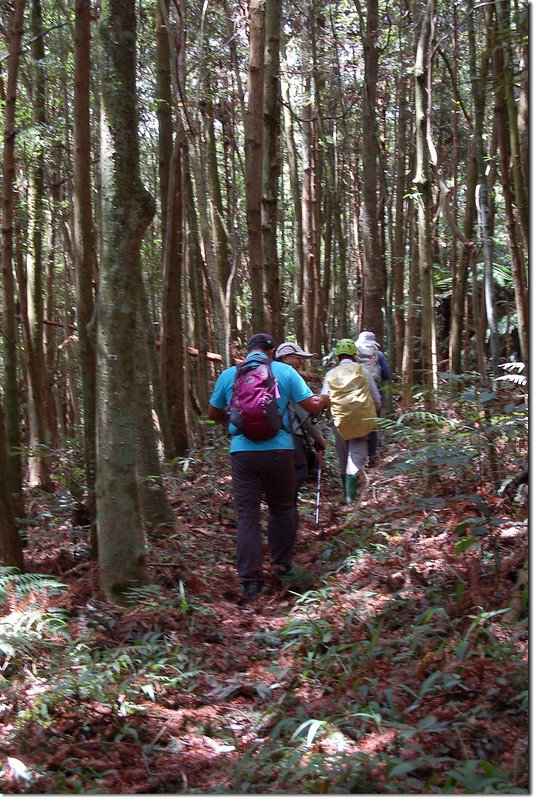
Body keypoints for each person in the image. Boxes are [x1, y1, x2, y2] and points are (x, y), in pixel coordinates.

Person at [208, 333, 330, 598]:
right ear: (272, 351)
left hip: (242, 454)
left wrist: (237, 424)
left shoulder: (229, 375)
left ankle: (250, 580)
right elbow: (311, 405)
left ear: (248, 350)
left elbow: (213, 414)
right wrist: (325, 398)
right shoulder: (285, 372)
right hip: (280, 450)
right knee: (283, 507)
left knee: (247, 515)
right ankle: (281, 565)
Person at [321, 338, 381, 504]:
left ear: (337, 357)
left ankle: (345, 491)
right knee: (356, 454)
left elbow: (324, 399)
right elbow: (376, 398)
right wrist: (376, 413)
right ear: (354, 355)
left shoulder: (330, 374)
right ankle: (350, 496)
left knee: (342, 455)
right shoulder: (363, 371)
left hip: (339, 419)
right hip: (362, 419)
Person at [274, 342, 328, 491]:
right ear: (285, 357)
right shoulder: (290, 377)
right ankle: (284, 507)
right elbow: (306, 414)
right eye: (298, 358)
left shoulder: (267, 374)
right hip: (288, 437)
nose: (301, 362)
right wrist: (320, 439)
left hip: (260, 439)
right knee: (300, 468)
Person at [355, 331, 391, 465]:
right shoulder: (378, 355)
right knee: (372, 425)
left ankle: (356, 455)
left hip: (354, 395)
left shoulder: (354, 355)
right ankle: (372, 457)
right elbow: (386, 374)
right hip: (374, 394)